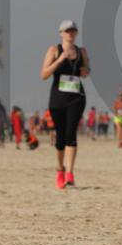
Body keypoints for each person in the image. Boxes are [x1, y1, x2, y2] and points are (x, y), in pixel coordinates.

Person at [40, 20, 89, 189]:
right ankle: (60, 169)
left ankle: (70, 173)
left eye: (73, 31)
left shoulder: (82, 52)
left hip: (76, 98)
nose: (71, 34)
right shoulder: (54, 50)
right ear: (61, 33)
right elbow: (43, 75)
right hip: (58, 99)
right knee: (60, 137)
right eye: (67, 31)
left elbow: (86, 71)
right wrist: (60, 60)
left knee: (71, 133)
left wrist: (86, 71)